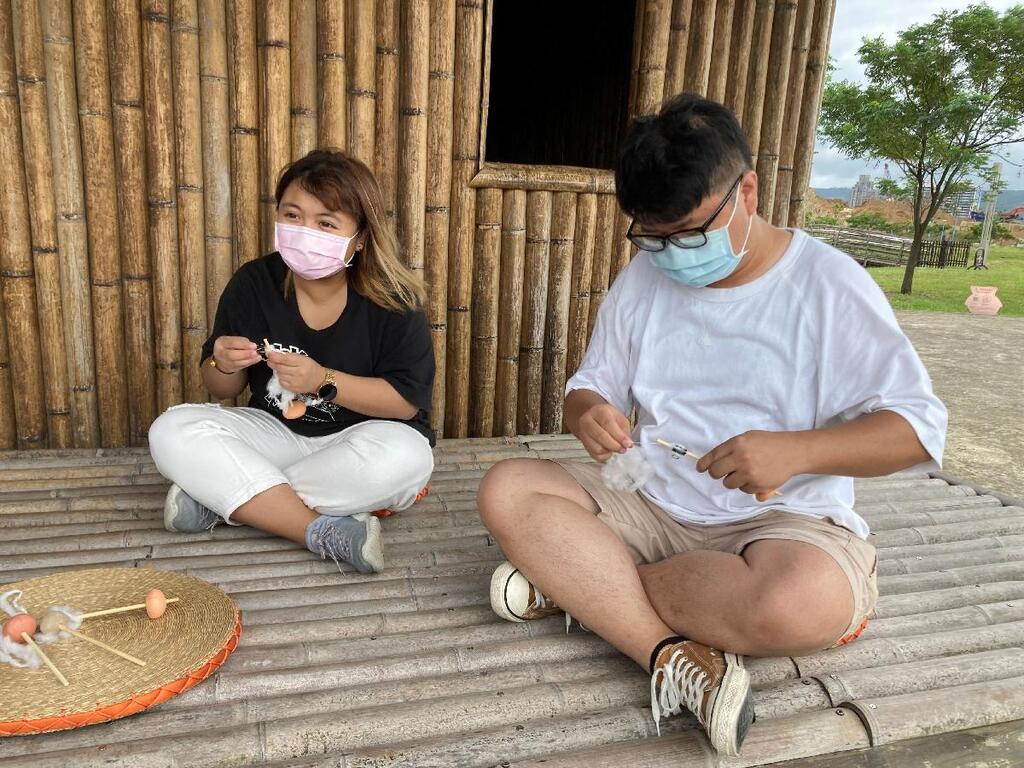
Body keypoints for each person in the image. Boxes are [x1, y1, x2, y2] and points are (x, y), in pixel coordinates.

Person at [478, 94, 947, 755]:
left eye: (690, 233)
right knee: (506, 488)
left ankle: (581, 586)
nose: (671, 254)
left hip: (778, 522)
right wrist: (590, 414)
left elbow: (918, 430)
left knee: (801, 603)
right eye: (652, 237)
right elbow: (588, 388)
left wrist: (796, 452)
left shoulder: (828, 286)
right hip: (648, 500)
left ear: (746, 191)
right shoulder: (644, 277)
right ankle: (664, 651)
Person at [149, 149, 435, 574]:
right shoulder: (254, 282)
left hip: (364, 438)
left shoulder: (394, 300)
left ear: (360, 236)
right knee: (171, 430)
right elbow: (222, 389)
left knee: (408, 458)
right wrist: (223, 363)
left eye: (326, 223)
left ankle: (221, 500)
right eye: (293, 215)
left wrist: (322, 379)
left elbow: (405, 404)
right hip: (274, 432)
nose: (305, 232)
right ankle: (318, 531)